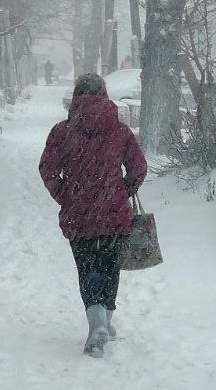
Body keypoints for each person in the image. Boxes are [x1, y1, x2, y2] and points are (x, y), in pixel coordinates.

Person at [38, 71, 147, 357]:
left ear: (76, 97)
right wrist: (122, 190)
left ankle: (96, 323)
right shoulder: (121, 132)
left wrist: (65, 195)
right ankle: (105, 321)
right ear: (104, 95)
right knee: (110, 268)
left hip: (79, 215)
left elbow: (47, 169)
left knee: (88, 270)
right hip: (113, 214)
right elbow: (138, 168)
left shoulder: (61, 132)